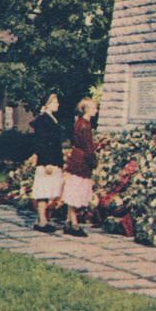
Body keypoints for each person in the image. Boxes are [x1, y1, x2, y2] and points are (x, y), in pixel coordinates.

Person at [62, 98, 99, 237]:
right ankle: (75, 224)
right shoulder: (84, 125)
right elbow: (88, 147)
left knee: (74, 190)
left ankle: (68, 222)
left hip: (78, 158)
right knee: (75, 192)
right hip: (82, 161)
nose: (96, 110)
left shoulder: (81, 122)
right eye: (94, 107)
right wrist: (93, 162)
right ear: (86, 109)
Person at [31, 93, 64, 233]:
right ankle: (42, 222)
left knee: (47, 191)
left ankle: (41, 219)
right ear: (47, 104)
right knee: (43, 191)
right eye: (55, 102)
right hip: (46, 162)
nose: (58, 104)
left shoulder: (51, 118)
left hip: (52, 160)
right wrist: (47, 162)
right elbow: (42, 143)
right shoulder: (43, 120)